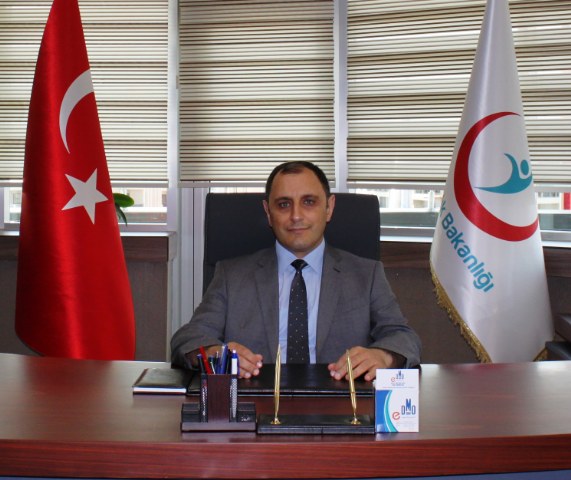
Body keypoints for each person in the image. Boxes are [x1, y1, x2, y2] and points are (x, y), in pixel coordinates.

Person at [171, 161, 421, 381]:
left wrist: (383, 356)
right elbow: (189, 337)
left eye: (309, 202)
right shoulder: (232, 275)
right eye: (283, 204)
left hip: (341, 402)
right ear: (268, 213)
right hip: (256, 401)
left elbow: (404, 337)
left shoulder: (366, 274)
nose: (296, 216)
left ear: (329, 208)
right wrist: (215, 353)